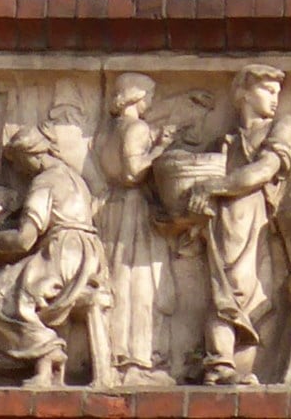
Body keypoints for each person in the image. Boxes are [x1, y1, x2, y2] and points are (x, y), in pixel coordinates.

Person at [0, 128, 107, 387]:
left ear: (33, 155)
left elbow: (23, 239)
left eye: (18, 162)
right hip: (87, 253)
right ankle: (33, 356)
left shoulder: (44, 182)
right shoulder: (73, 177)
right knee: (10, 289)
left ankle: (46, 351)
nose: (19, 170)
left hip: (62, 255)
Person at [183, 64, 291, 385]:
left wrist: (213, 187)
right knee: (224, 288)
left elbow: (265, 169)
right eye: (267, 91)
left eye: (278, 92)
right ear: (243, 93)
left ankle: (228, 364)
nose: (275, 99)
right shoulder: (226, 141)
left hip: (253, 221)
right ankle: (219, 364)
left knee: (243, 289)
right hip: (224, 222)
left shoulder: (282, 126)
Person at [92, 73, 178, 385]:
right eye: (149, 95)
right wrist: (161, 149)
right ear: (135, 96)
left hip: (111, 208)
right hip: (133, 208)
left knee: (117, 278)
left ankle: (115, 356)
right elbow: (133, 171)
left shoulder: (107, 131)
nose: (151, 101)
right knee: (140, 283)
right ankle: (136, 361)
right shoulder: (137, 128)